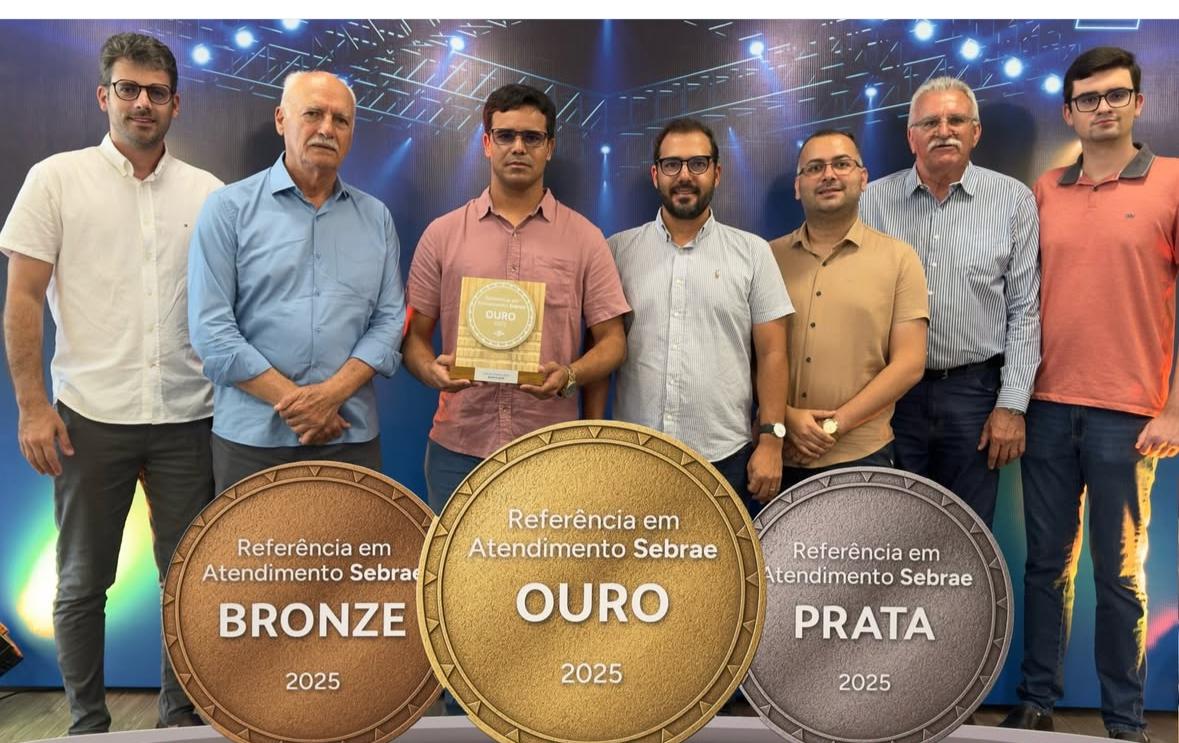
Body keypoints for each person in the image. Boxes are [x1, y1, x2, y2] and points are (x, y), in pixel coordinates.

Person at [0, 33, 221, 733]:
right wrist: (32, 406)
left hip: (188, 416)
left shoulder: (208, 193)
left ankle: (179, 720)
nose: (142, 103)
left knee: (189, 581)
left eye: (156, 91)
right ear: (104, 96)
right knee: (81, 581)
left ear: (177, 104)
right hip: (89, 417)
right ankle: (88, 725)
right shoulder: (54, 180)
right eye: (128, 89)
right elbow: (22, 299)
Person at [1000, 47, 1179, 743]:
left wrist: (1173, 407)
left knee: (1120, 576)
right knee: (1045, 566)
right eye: (1087, 98)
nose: (1102, 107)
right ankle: (1036, 701)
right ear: (1068, 111)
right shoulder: (1045, 190)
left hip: (1128, 415)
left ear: (1138, 102)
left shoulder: (1172, 182)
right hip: (1046, 407)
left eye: (1114, 95)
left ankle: (1124, 720)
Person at [402, 83, 629, 513]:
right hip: (458, 450)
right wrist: (430, 371)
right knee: (457, 561)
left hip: (550, 450)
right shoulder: (442, 234)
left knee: (546, 562)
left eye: (532, 137)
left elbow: (614, 342)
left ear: (550, 147)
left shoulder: (585, 239)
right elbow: (413, 337)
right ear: (488, 144)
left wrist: (570, 375)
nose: (518, 147)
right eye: (506, 135)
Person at [188, 70, 405, 493]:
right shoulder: (227, 210)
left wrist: (330, 397)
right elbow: (211, 330)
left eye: (340, 120)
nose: (327, 129)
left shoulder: (376, 217)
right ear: (280, 119)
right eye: (313, 114)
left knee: (354, 542)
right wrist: (301, 405)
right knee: (251, 542)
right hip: (252, 442)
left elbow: (389, 322)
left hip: (350, 437)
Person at [859, 76, 1041, 527]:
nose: (944, 131)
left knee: (967, 534)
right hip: (891, 396)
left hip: (974, 395)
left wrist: (1012, 404)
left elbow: (1025, 310)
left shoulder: (1013, 201)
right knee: (893, 528)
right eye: (930, 122)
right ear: (911, 137)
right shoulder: (871, 202)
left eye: (956, 120)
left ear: (975, 132)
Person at [601, 117, 791, 512]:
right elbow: (600, 348)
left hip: (724, 458)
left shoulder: (753, 253)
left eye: (698, 164)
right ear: (655, 174)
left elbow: (773, 353)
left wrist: (772, 440)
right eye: (672, 164)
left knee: (721, 557)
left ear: (716, 173)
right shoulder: (617, 251)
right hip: (634, 455)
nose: (684, 176)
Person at [769, 129, 928, 490]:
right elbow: (750, 356)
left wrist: (834, 425)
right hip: (779, 453)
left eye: (841, 164)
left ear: (863, 178)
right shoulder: (766, 258)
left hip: (863, 455)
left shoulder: (899, 259)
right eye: (814, 168)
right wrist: (786, 418)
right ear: (797, 186)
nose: (828, 175)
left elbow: (909, 363)